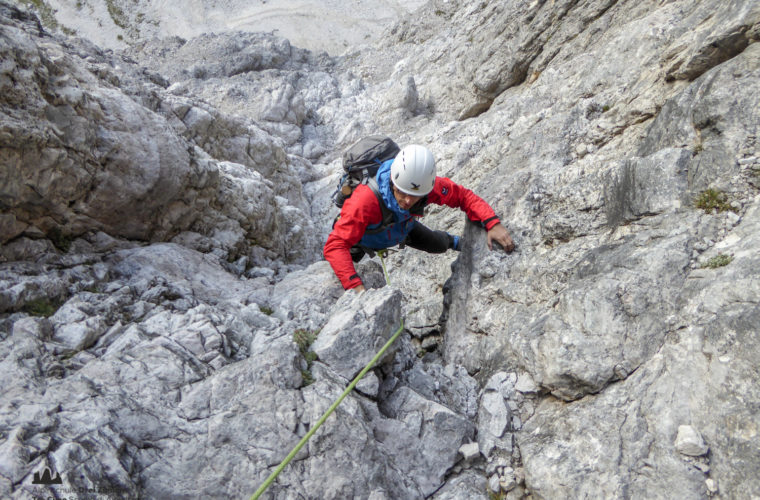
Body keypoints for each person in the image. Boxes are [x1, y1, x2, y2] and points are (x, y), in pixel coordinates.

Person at [324, 144, 515, 291]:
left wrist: (492, 222)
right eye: (402, 192)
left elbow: (463, 196)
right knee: (337, 273)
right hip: (361, 238)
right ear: (393, 180)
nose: (408, 201)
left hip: (401, 228)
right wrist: (355, 286)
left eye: (414, 195)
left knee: (438, 244)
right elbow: (335, 245)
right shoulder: (364, 201)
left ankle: (456, 242)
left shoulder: (426, 188)